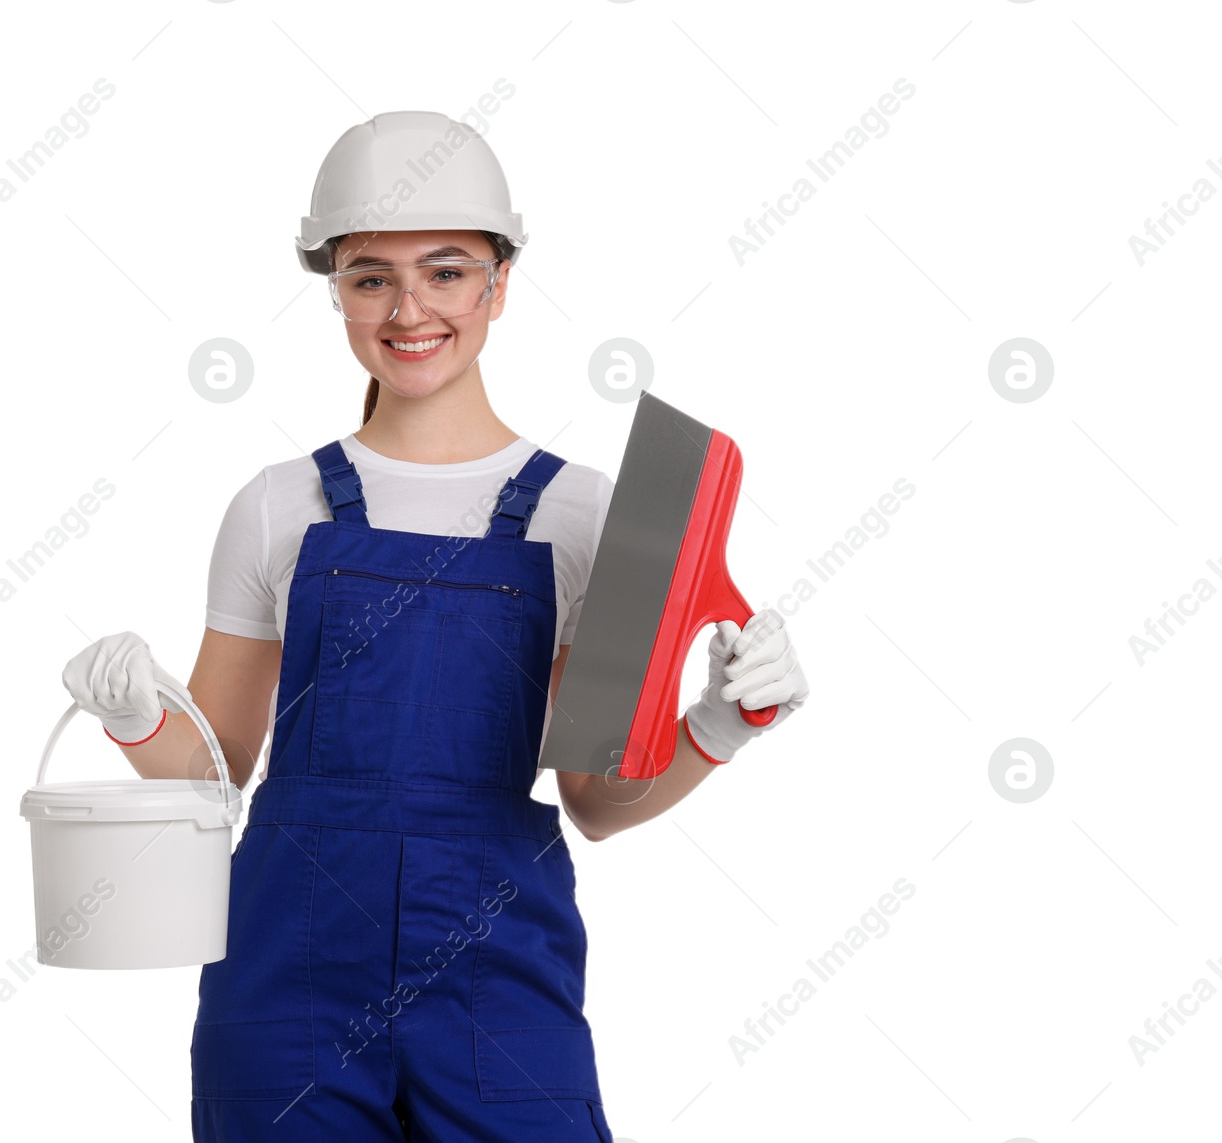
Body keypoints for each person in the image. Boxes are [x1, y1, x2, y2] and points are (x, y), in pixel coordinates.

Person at [61, 110, 808, 1142]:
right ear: (337, 291)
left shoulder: (586, 514)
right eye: (372, 277)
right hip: (289, 976)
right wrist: (143, 719)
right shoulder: (278, 507)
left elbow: (597, 800)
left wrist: (719, 728)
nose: (409, 308)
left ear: (499, 284)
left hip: (497, 974)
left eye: (446, 272)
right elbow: (219, 770)